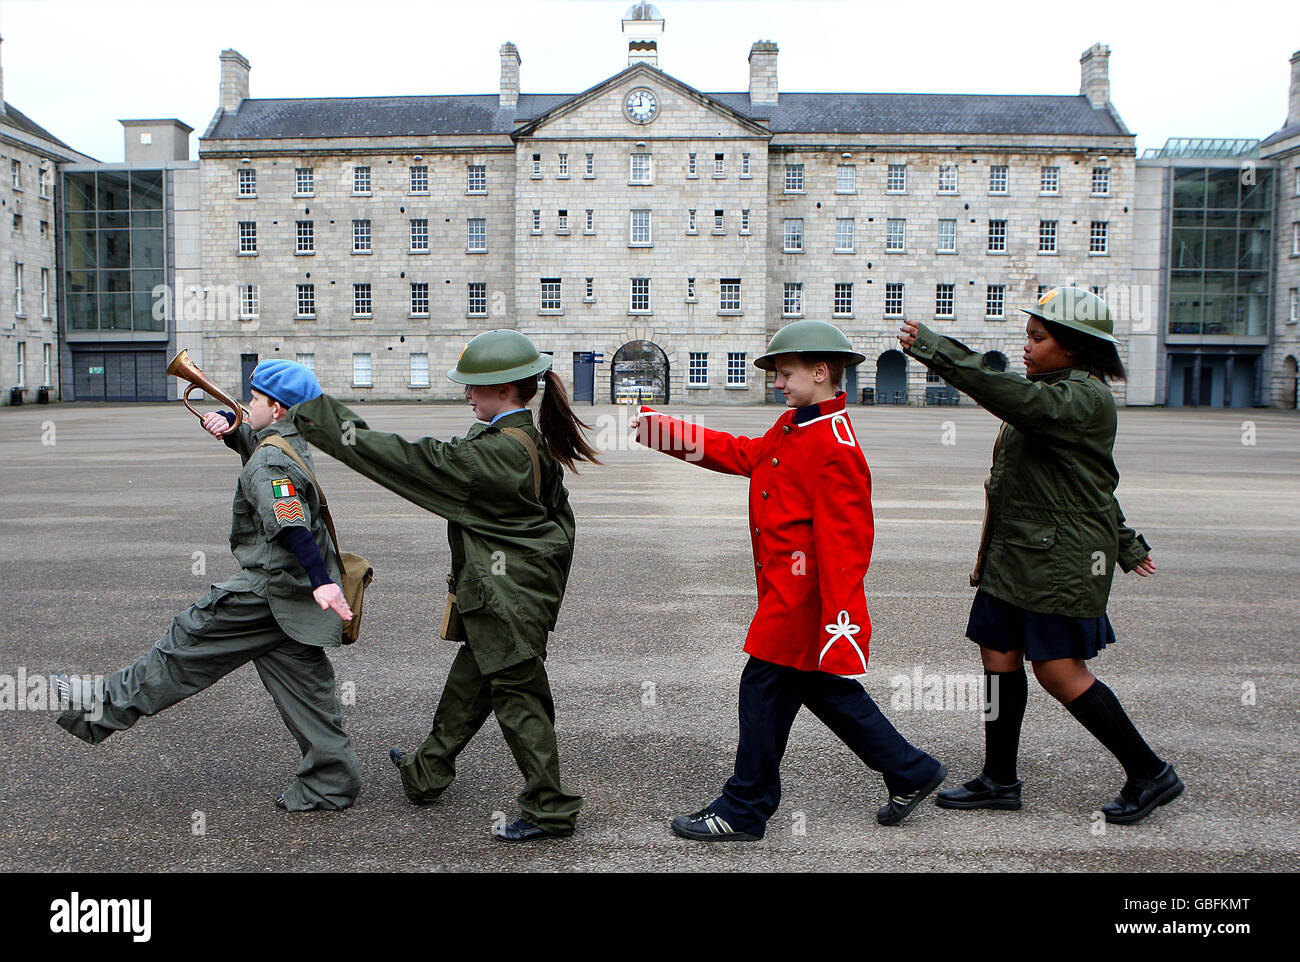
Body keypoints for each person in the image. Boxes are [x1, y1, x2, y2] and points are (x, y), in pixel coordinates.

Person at [634, 320, 947, 841]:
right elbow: (743, 454)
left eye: (786, 373)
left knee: (762, 689)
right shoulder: (795, 423)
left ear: (821, 372)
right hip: (783, 590)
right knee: (821, 689)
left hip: (801, 602)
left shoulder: (836, 444)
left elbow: (848, 547)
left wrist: (840, 622)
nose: (778, 383)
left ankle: (744, 807)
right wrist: (661, 430)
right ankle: (910, 769)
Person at [287, 330, 597, 842]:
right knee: (470, 686)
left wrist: (315, 410)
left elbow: (401, 458)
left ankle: (551, 809)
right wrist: (537, 579)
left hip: (506, 600)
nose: (467, 394)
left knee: (520, 700)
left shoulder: (496, 454)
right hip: (510, 593)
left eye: (473, 386)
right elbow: (560, 524)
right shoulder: (524, 440)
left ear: (504, 389)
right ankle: (426, 771)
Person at [898, 287, 1182, 825]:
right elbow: (1085, 482)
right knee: (997, 653)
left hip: (1058, 562)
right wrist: (1126, 541)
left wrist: (938, 351)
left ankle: (1150, 772)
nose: (1026, 347)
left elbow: (1014, 399)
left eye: (1038, 337)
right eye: (1028, 336)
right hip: (1018, 555)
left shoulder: (1080, 397)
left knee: (1059, 670)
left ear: (1072, 347)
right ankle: (999, 780)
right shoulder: (1055, 391)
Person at [55, 359, 362, 812]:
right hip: (292, 599)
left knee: (184, 643)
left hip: (267, 592)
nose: (248, 405)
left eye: (254, 399)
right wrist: (228, 425)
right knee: (307, 692)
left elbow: (289, 520)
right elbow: (257, 443)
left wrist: (322, 582)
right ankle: (332, 781)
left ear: (277, 409)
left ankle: (96, 705)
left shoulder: (271, 461)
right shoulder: (290, 441)